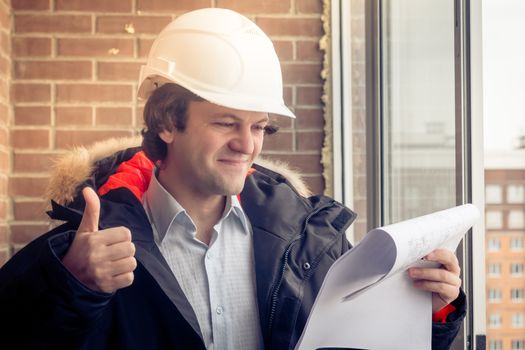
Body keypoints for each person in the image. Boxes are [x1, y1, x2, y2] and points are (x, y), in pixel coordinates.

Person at [0, 7, 465, 350]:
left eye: (260, 126)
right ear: (166, 121)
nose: (249, 145)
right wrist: (72, 289)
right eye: (226, 122)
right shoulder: (82, 252)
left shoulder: (308, 242)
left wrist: (431, 311)